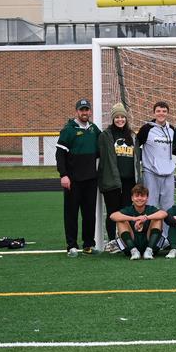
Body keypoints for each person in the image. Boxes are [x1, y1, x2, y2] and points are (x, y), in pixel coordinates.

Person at [56, 98, 101, 257]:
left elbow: (103, 149)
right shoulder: (69, 129)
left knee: (90, 214)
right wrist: (64, 175)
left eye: (86, 109)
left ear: (90, 111)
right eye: (82, 110)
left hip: (91, 179)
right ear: (77, 111)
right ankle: (72, 246)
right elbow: (60, 154)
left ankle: (88, 245)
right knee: (71, 214)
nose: (84, 112)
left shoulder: (94, 129)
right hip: (73, 180)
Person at [98, 103, 139, 253]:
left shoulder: (132, 136)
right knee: (112, 212)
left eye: (122, 117)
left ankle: (125, 240)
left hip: (129, 181)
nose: (120, 119)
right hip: (112, 181)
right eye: (117, 117)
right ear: (113, 118)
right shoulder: (106, 135)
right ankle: (111, 241)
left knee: (126, 212)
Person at [136, 101, 176, 212]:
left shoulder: (172, 129)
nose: (161, 113)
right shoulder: (146, 129)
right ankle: (150, 229)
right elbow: (135, 147)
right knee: (150, 206)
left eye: (164, 111)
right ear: (154, 113)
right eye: (158, 111)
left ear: (167, 113)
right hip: (150, 172)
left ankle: (166, 230)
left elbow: (175, 149)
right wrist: (143, 158)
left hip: (168, 173)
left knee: (168, 208)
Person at [110, 183, 167, 260]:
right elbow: (113, 216)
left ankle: (149, 250)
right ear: (132, 198)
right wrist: (134, 218)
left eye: (142, 196)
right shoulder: (128, 209)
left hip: (150, 244)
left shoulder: (150, 209)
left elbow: (164, 213)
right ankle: (133, 250)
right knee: (121, 220)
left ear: (147, 198)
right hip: (131, 245)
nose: (139, 198)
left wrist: (146, 218)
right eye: (137, 196)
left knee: (157, 219)